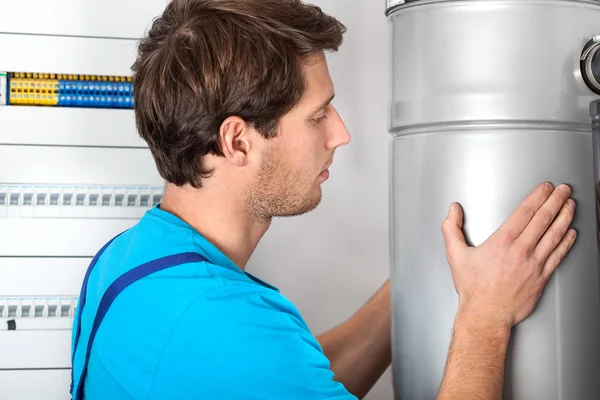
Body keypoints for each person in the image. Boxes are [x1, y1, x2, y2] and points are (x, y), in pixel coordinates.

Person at [69, 0, 577, 399]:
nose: (341, 134)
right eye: (319, 115)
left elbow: (292, 379)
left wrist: (423, 272)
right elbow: (252, 358)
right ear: (237, 142)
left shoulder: (127, 260)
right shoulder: (217, 320)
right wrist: (485, 317)